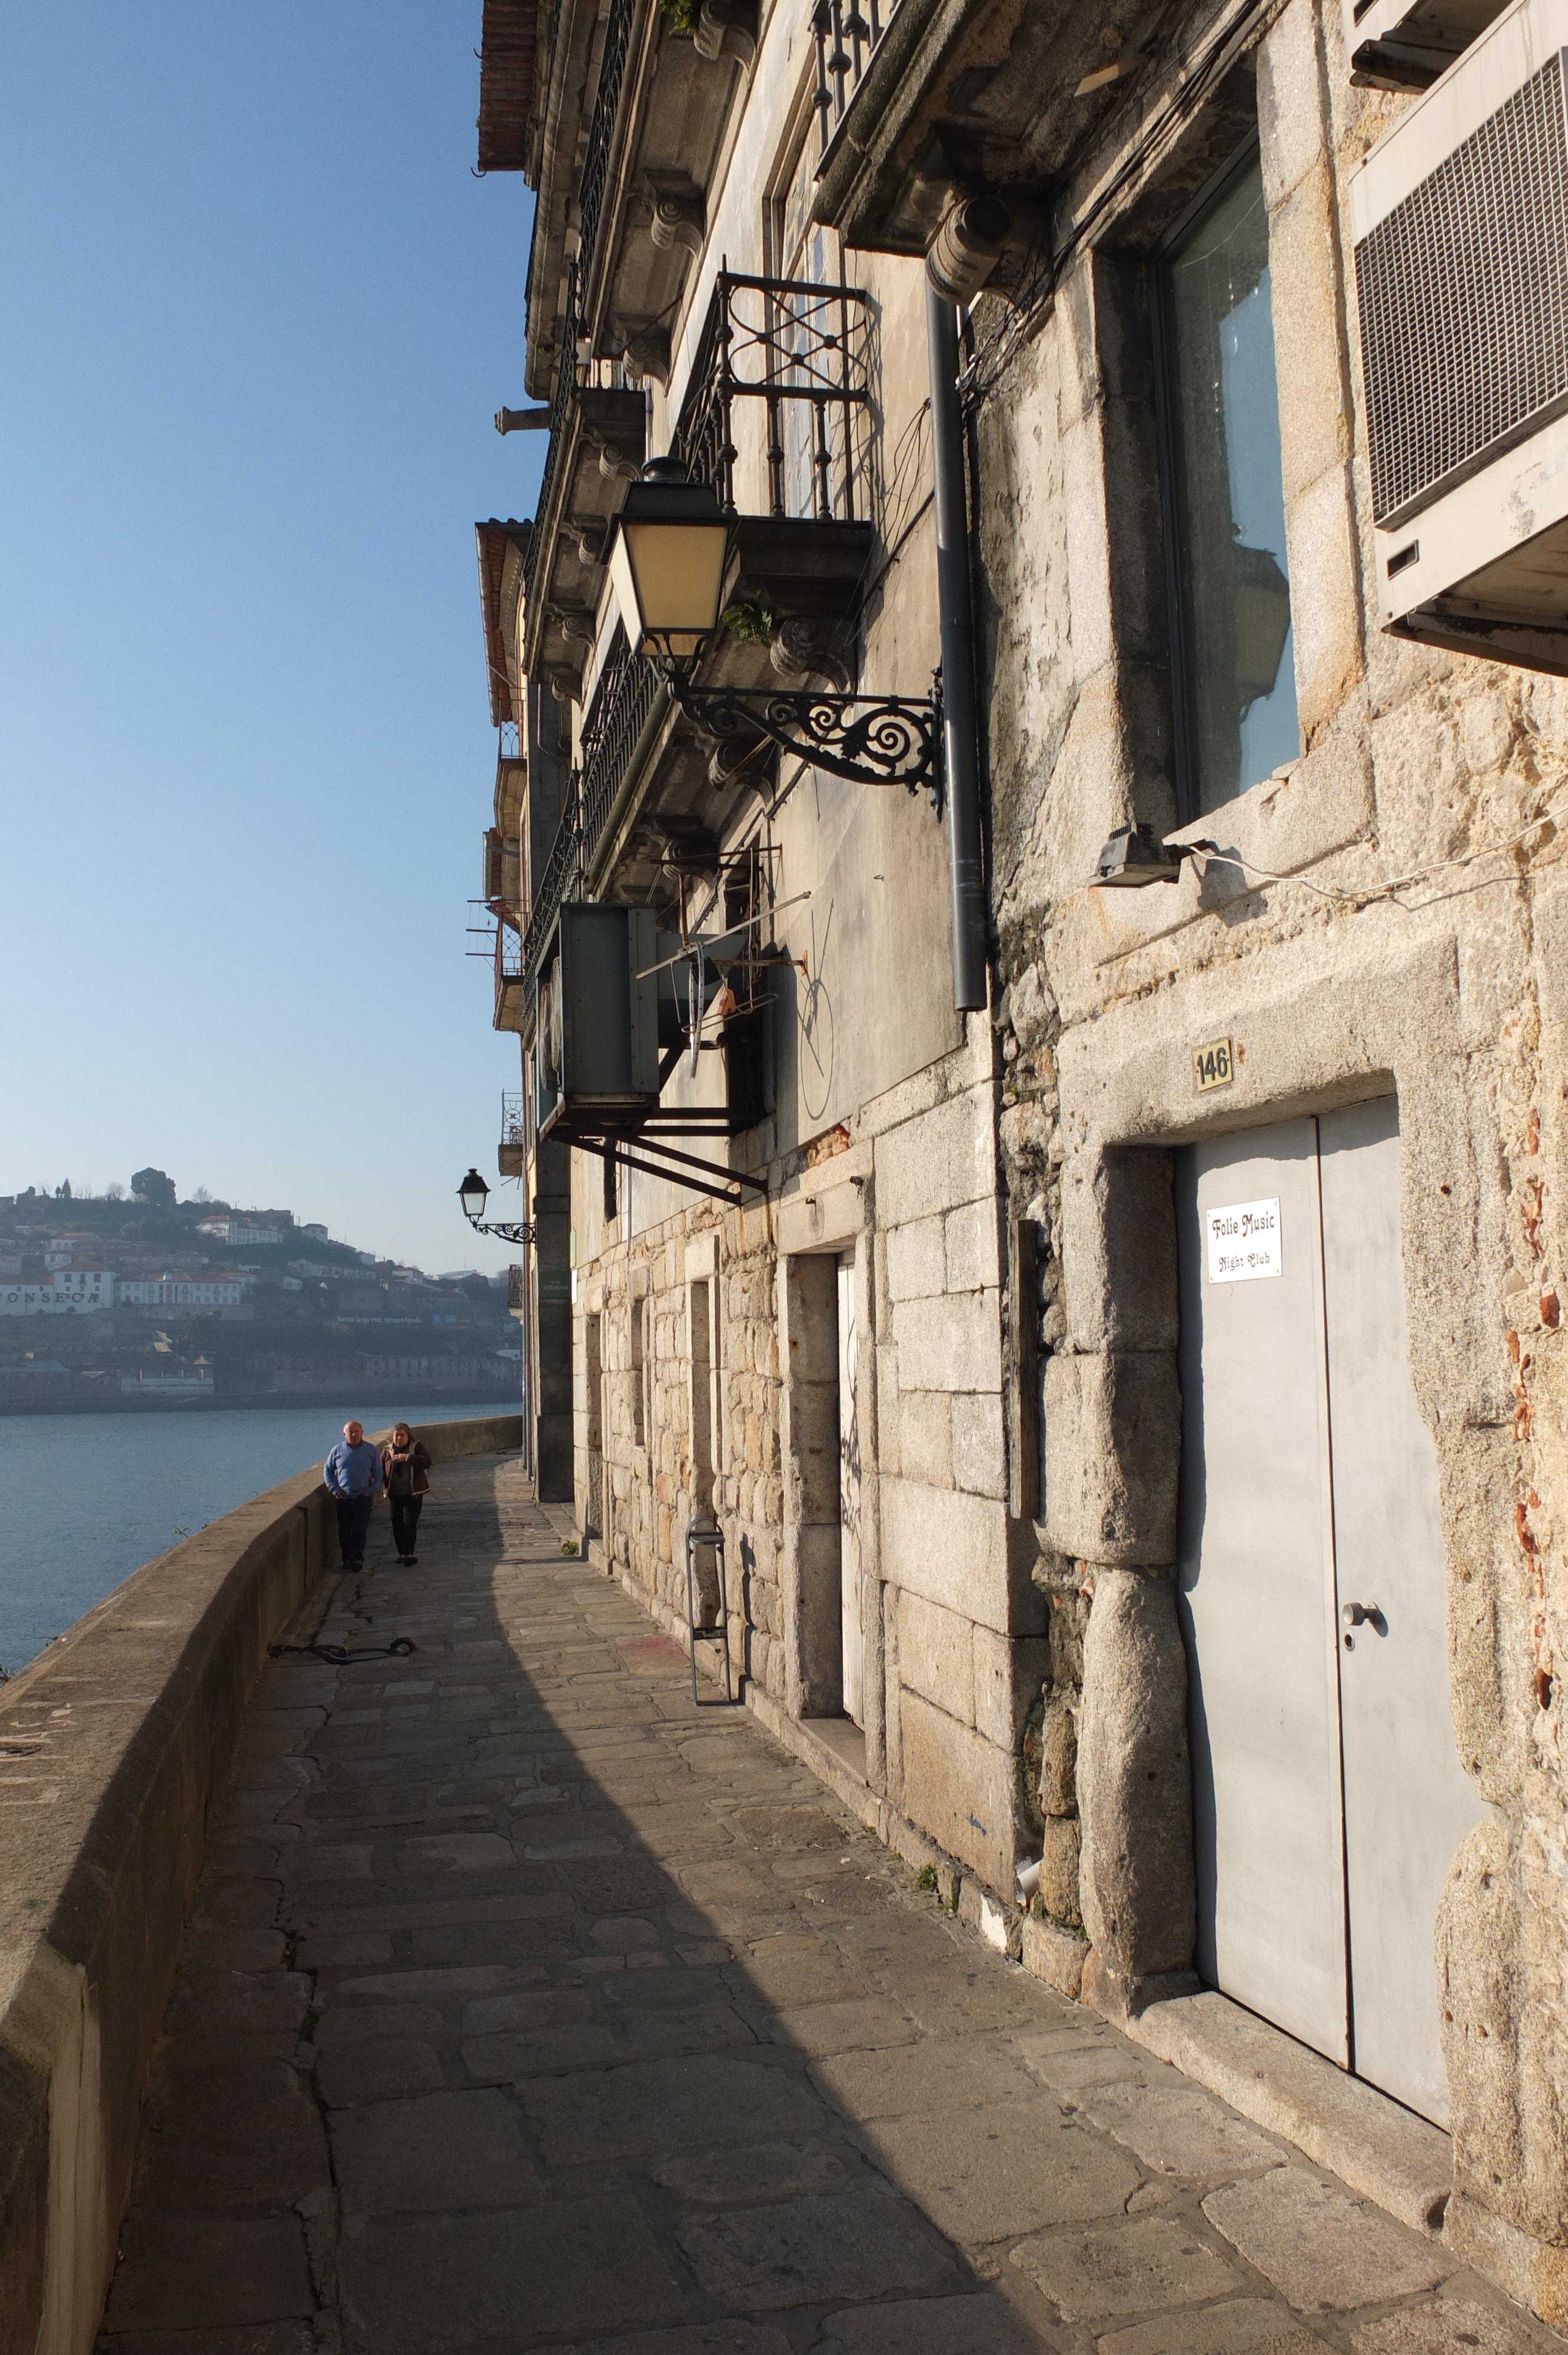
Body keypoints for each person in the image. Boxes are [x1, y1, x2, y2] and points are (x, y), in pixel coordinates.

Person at [323, 1419, 382, 1570]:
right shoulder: (337, 1450)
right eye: (351, 1432)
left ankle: (357, 1559)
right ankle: (347, 1558)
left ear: (362, 1432)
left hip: (363, 1496)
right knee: (345, 1530)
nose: (354, 1434)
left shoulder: (370, 1450)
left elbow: (379, 1472)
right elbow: (328, 1470)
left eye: (357, 1431)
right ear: (345, 1434)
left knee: (359, 1528)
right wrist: (335, 1489)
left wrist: (372, 1489)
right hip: (344, 1497)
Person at [381, 1422, 432, 1563]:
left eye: (402, 1436)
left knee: (409, 1523)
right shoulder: (387, 1450)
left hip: (413, 1494)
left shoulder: (416, 1447)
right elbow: (380, 1470)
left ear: (408, 1436)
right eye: (397, 1436)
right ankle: (401, 1553)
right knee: (397, 1524)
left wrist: (407, 1458)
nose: (399, 1439)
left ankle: (409, 1553)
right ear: (392, 1437)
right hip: (394, 1494)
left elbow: (427, 1462)